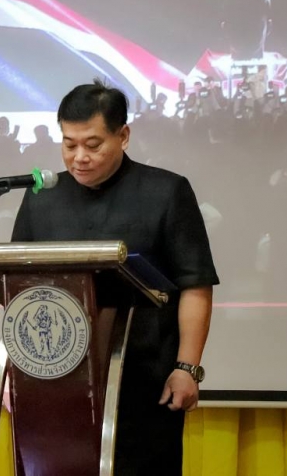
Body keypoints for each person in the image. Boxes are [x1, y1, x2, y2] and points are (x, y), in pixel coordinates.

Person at [11, 80, 219, 475]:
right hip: (55, 384)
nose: (79, 157)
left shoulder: (166, 192)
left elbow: (195, 285)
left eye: (93, 145)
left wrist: (187, 368)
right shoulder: (42, 197)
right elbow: (20, 294)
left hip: (145, 381)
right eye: (69, 144)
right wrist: (15, 373)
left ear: (123, 136)